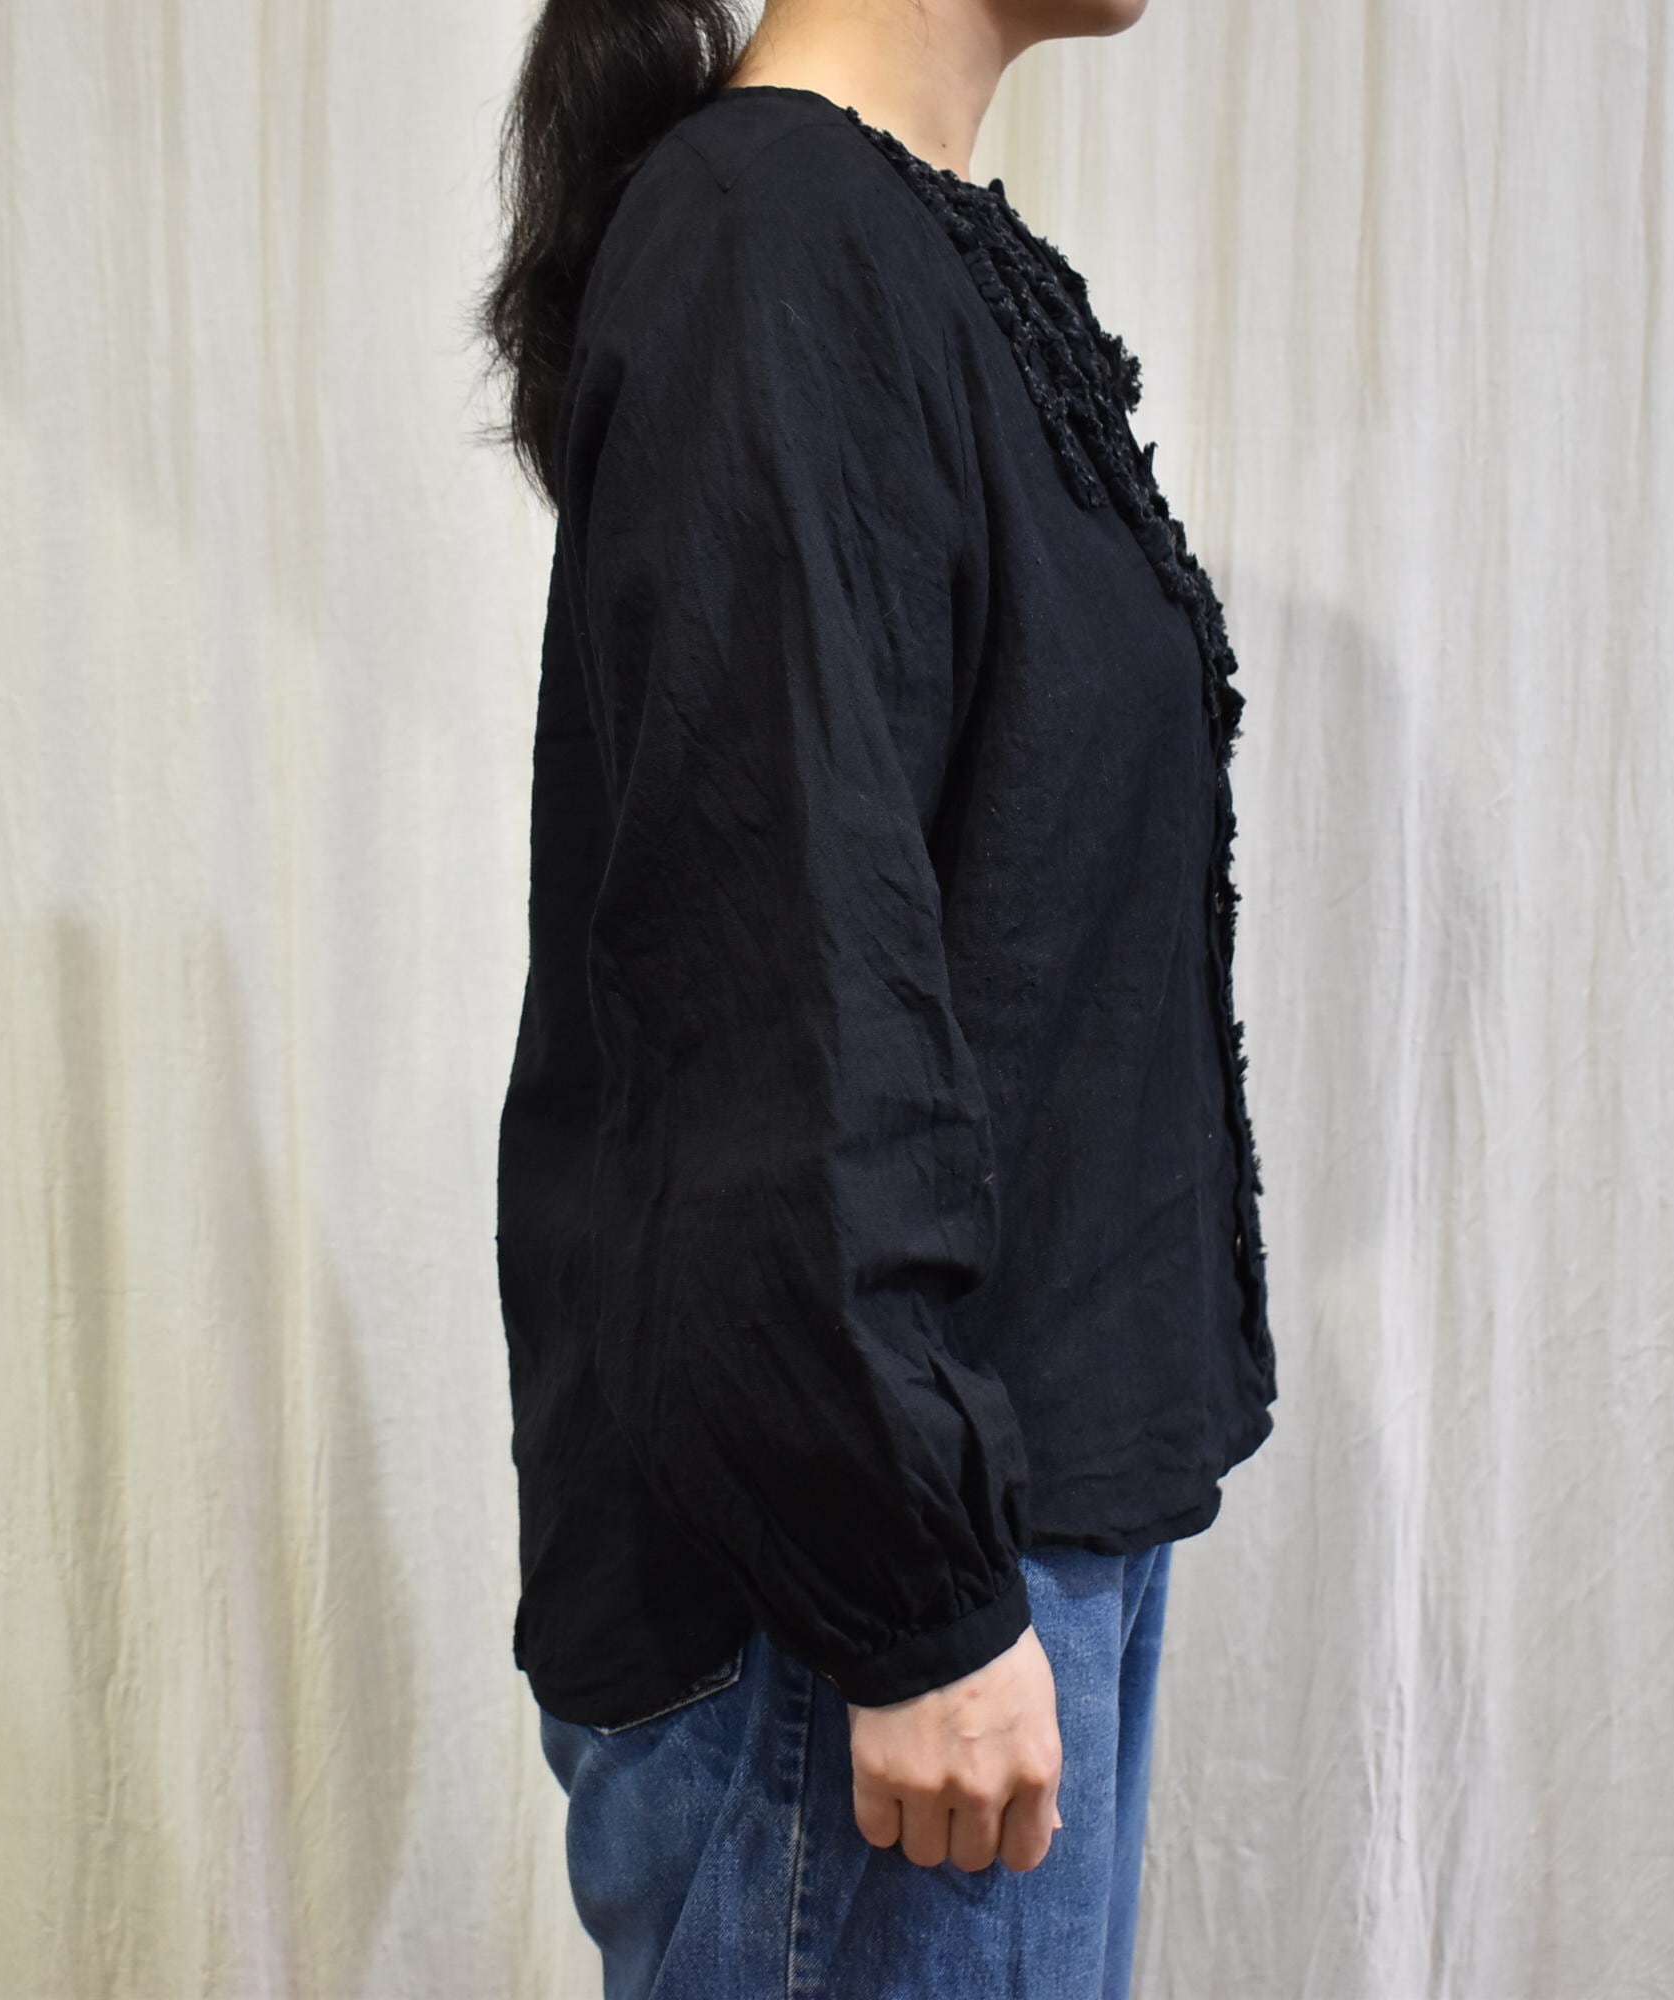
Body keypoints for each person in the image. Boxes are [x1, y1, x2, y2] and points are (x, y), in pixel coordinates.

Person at [479, 0, 1276, 1990]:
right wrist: (909, 1590)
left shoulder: (884, 243)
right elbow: (772, 963)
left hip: (975, 1534)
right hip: (852, 1604)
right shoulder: (772, 244)